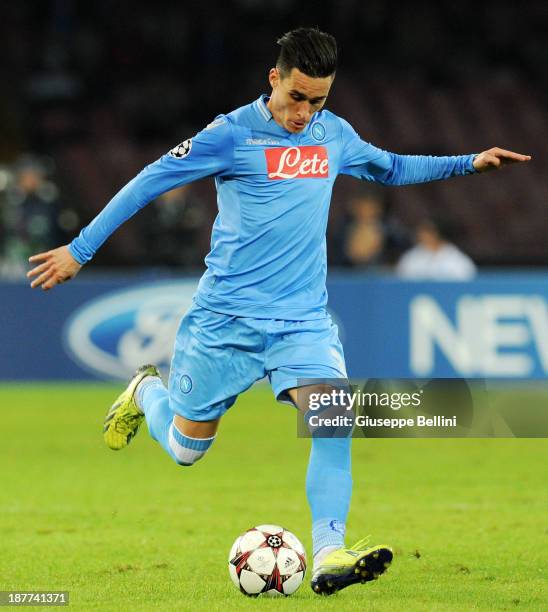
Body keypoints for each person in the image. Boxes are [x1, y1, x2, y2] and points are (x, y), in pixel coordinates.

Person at [27, 27, 531, 595]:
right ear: (275, 78)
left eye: (318, 100)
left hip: (302, 322)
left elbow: (391, 167)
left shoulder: (332, 134)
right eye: (297, 97)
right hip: (225, 322)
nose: (304, 112)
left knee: (333, 419)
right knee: (187, 450)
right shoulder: (229, 135)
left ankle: (329, 553)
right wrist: (80, 249)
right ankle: (147, 391)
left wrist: (470, 163)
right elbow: (148, 184)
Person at [396, 217, 477, 280]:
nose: (421, 235)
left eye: (428, 232)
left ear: (438, 234)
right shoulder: (410, 258)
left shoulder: (458, 261)